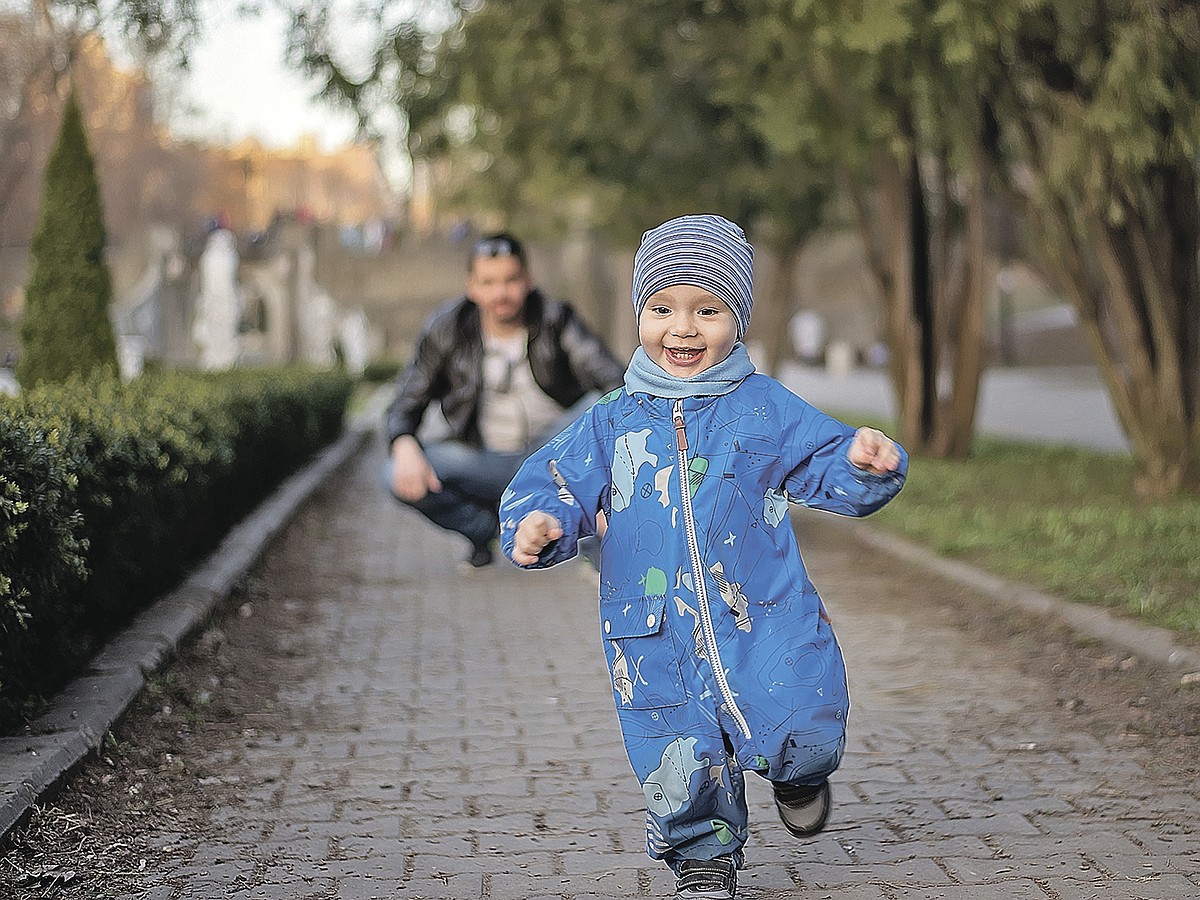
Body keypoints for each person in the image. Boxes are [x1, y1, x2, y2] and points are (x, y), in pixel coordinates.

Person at [498, 215, 907, 899]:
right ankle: (703, 856)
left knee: (804, 712)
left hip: (763, 610)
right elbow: (554, 483)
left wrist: (863, 463)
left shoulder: (763, 409)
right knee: (675, 748)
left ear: (737, 320)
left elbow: (821, 457)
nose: (682, 328)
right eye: (662, 308)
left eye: (706, 310)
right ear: (640, 313)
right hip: (652, 629)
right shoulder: (613, 420)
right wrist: (541, 525)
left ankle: (800, 771)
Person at [384, 232, 624, 567]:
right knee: (395, 471)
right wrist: (403, 442)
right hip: (482, 460)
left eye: (511, 280)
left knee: (604, 406)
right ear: (472, 286)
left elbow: (612, 381)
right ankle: (487, 529)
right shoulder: (446, 328)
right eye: (489, 282)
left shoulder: (556, 318)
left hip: (552, 454)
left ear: (527, 280)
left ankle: (586, 531)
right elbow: (405, 402)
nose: (501, 292)